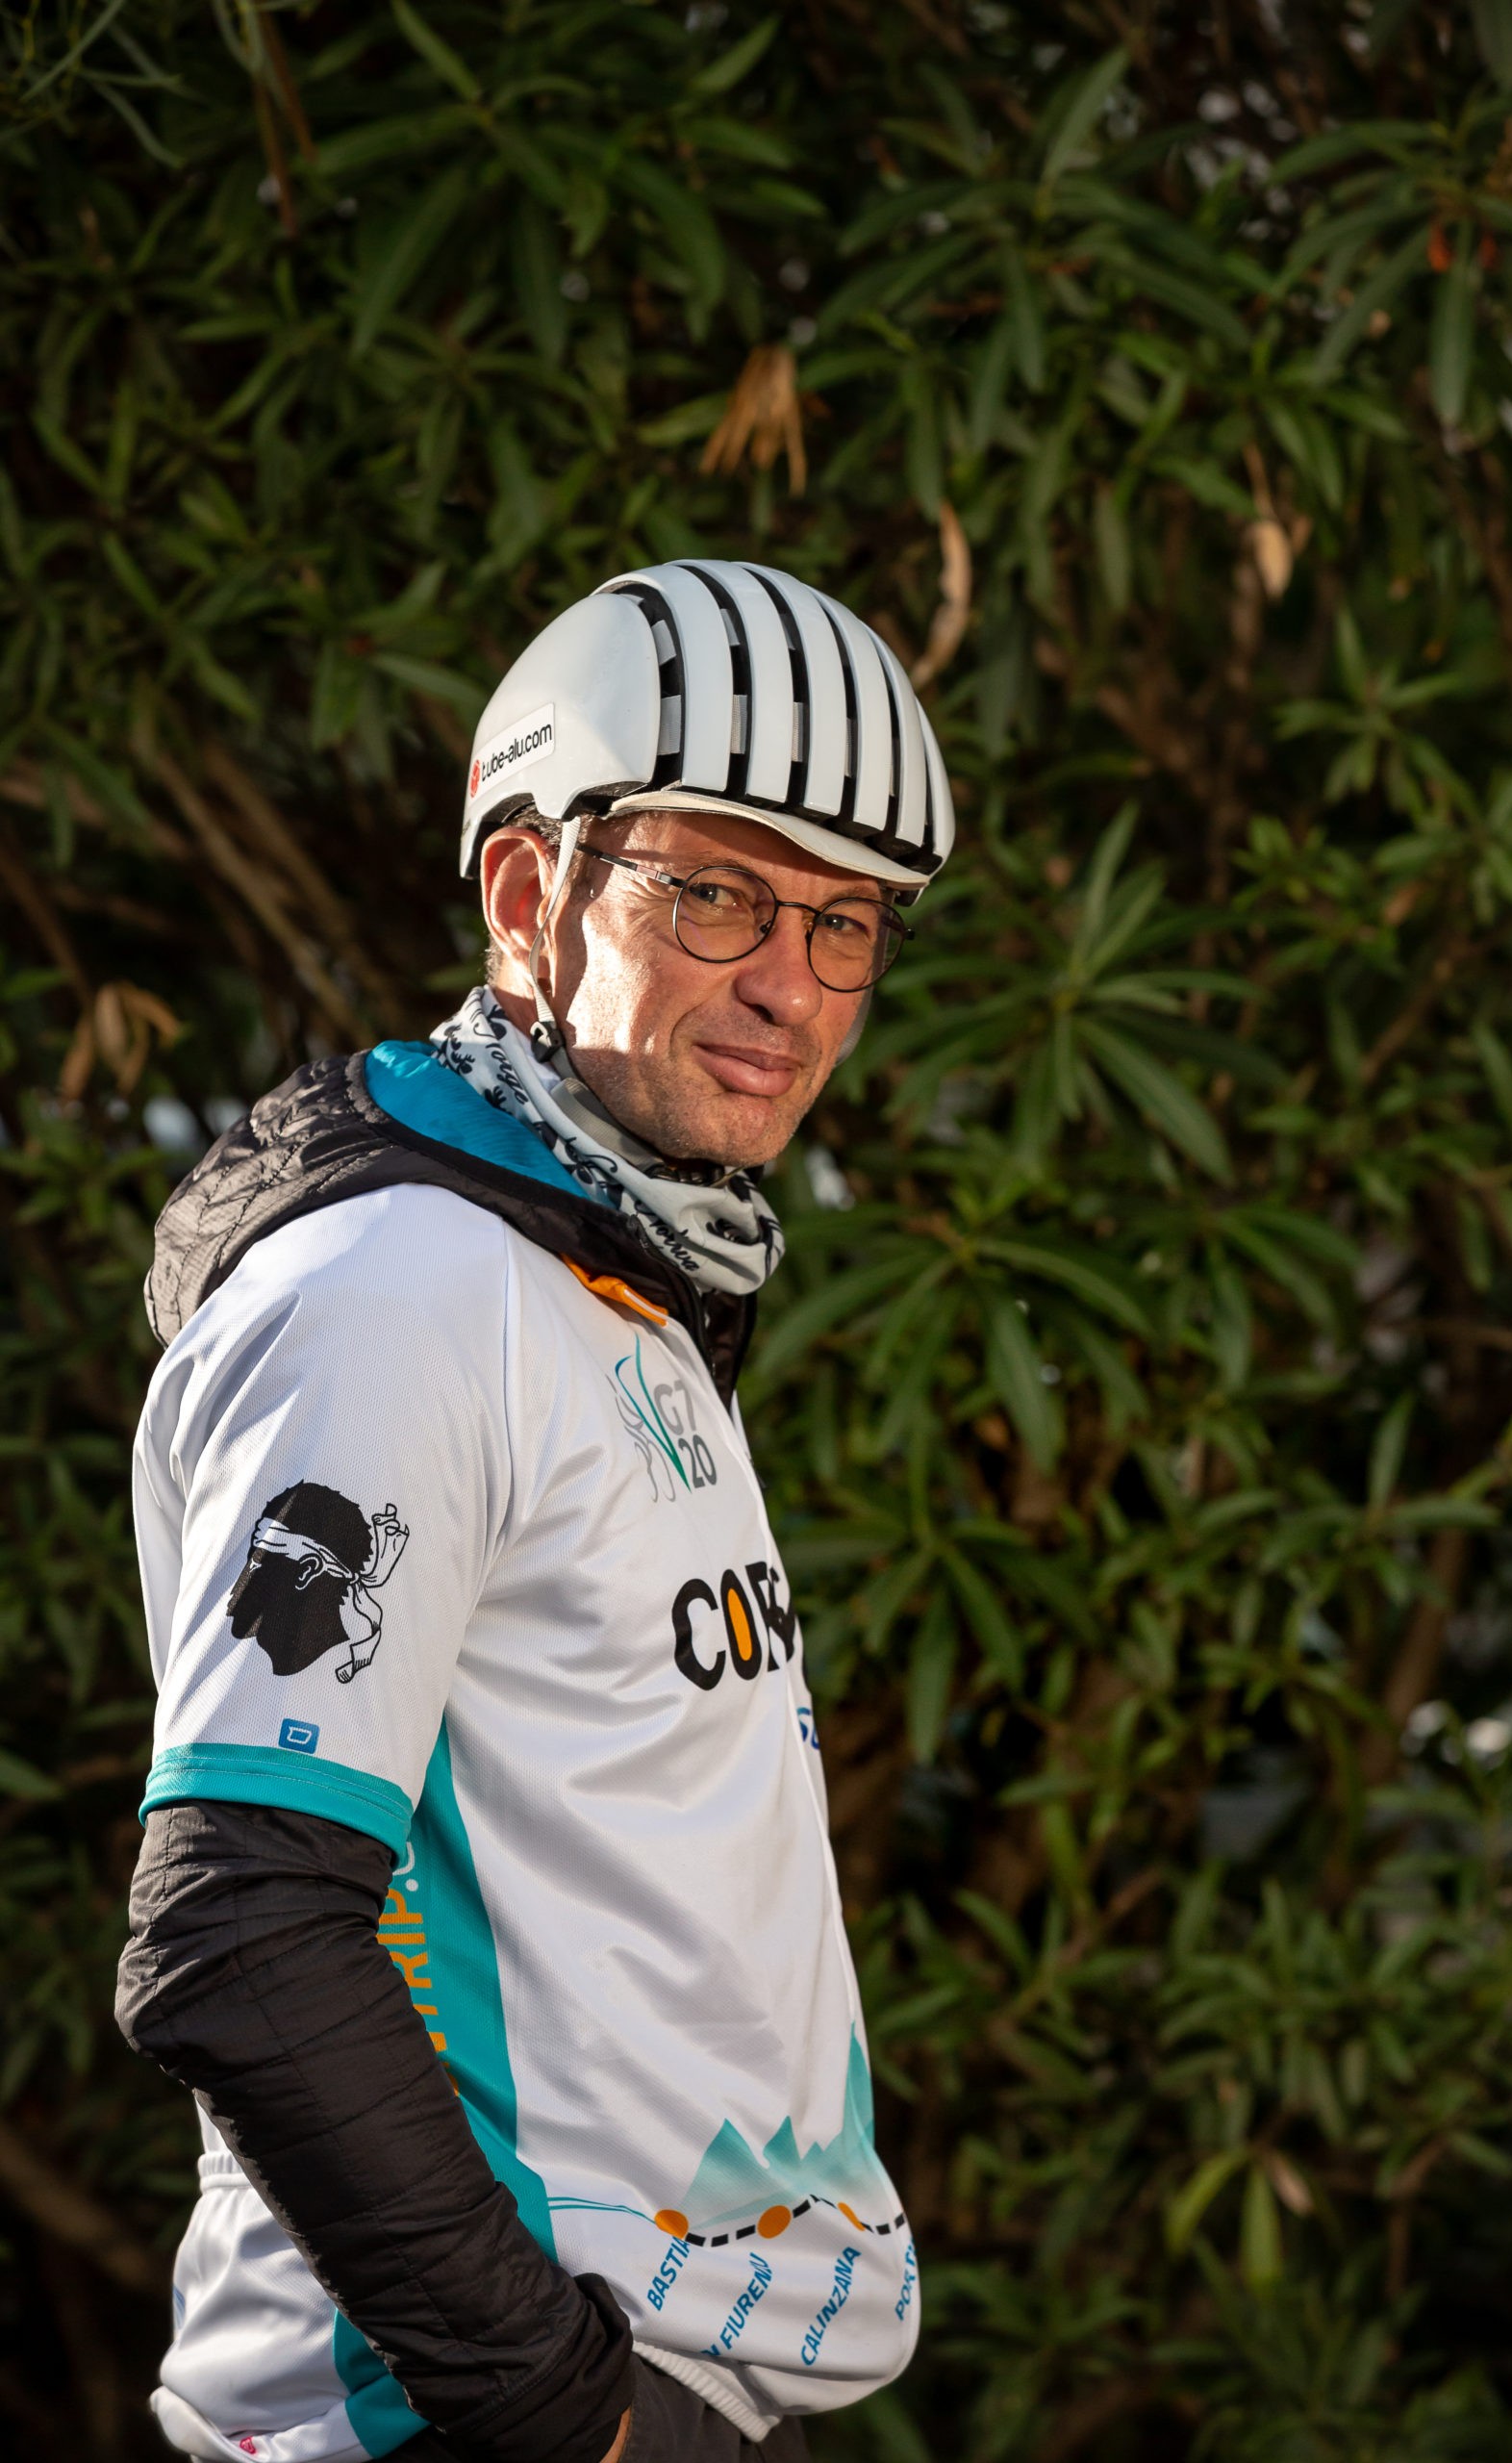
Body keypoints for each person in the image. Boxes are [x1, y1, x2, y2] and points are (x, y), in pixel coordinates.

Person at [116, 559, 955, 2463]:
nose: (791, 983)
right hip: (462, 2412)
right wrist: (562, 2412)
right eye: (717, 891)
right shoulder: (402, 1290)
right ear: (525, 894)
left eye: (845, 923)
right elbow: (239, 1928)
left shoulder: (608, 1272)